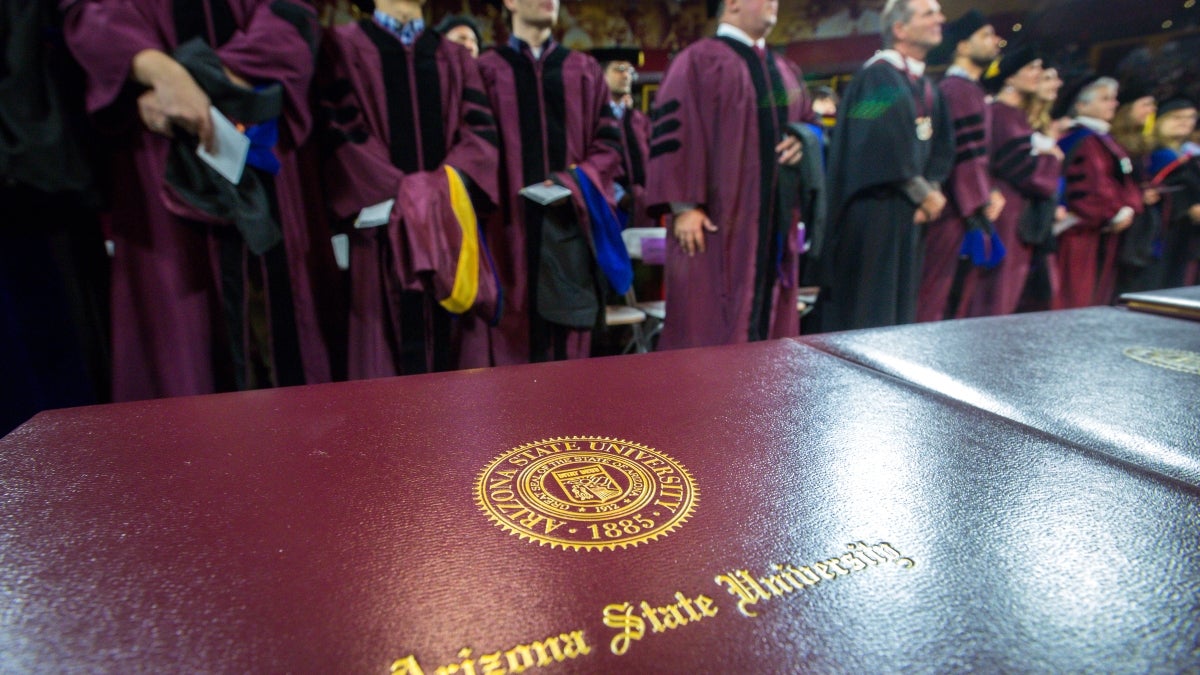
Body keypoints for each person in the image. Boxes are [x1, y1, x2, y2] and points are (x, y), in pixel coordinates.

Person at [61, 0, 336, 401]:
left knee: (286, 321)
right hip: (159, 160)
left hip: (260, 135)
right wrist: (158, 69)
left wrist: (189, 82)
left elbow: (291, 17)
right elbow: (92, 16)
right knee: (184, 334)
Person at [317, 0, 500, 378]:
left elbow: (480, 138)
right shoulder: (340, 46)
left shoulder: (456, 57)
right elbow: (341, 135)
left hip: (449, 234)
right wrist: (410, 194)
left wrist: (432, 192)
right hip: (380, 237)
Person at [462, 0, 624, 365]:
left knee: (568, 361)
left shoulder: (584, 70)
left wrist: (572, 182)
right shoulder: (483, 70)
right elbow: (469, 144)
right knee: (506, 349)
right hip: (505, 232)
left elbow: (609, 146)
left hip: (569, 229)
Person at [644, 0, 812, 349]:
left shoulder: (785, 69)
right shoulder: (697, 60)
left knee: (773, 333)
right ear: (732, 3)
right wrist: (683, 206)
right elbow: (676, 134)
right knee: (706, 323)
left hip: (774, 226)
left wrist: (804, 141)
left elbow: (810, 126)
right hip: (715, 224)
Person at [817, 0, 954, 331]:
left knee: (898, 308)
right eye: (928, 13)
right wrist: (921, 193)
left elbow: (942, 143)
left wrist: (931, 189)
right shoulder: (878, 77)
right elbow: (878, 144)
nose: (941, 18)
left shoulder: (924, 84)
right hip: (874, 210)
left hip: (909, 210)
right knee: (870, 308)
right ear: (900, 29)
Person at [917, 9, 1003, 321]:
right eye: (985, 35)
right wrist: (980, 199)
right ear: (963, 46)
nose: (993, 42)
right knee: (934, 291)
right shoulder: (957, 90)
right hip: (953, 208)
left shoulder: (970, 90)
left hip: (961, 205)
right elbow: (962, 154)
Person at [965, 48, 1063, 317]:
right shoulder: (1002, 113)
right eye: (1031, 68)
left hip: (1016, 212)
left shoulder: (1013, 114)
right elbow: (1027, 172)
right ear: (1010, 77)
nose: (1038, 75)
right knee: (995, 292)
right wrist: (1052, 159)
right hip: (1006, 213)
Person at [1052, 74, 1142, 309]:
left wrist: (1129, 207)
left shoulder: (1104, 139)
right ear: (1081, 105)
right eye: (1105, 99)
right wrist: (1115, 211)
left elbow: (1127, 180)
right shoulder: (1080, 139)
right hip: (1078, 232)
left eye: (1113, 99)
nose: (1113, 104)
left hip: (1101, 230)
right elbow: (1092, 186)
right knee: (1073, 299)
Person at [590, 46, 652, 229]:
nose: (626, 76)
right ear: (601, 75)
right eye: (619, 69)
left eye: (630, 71)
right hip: (605, 205)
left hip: (642, 207)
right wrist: (619, 196)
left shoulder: (640, 120)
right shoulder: (592, 118)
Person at [1144, 97, 1200, 287]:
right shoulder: (1153, 153)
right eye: (1177, 117)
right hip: (1157, 234)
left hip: (1181, 235)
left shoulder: (1186, 154)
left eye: (1191, 117)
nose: (1185, 122)